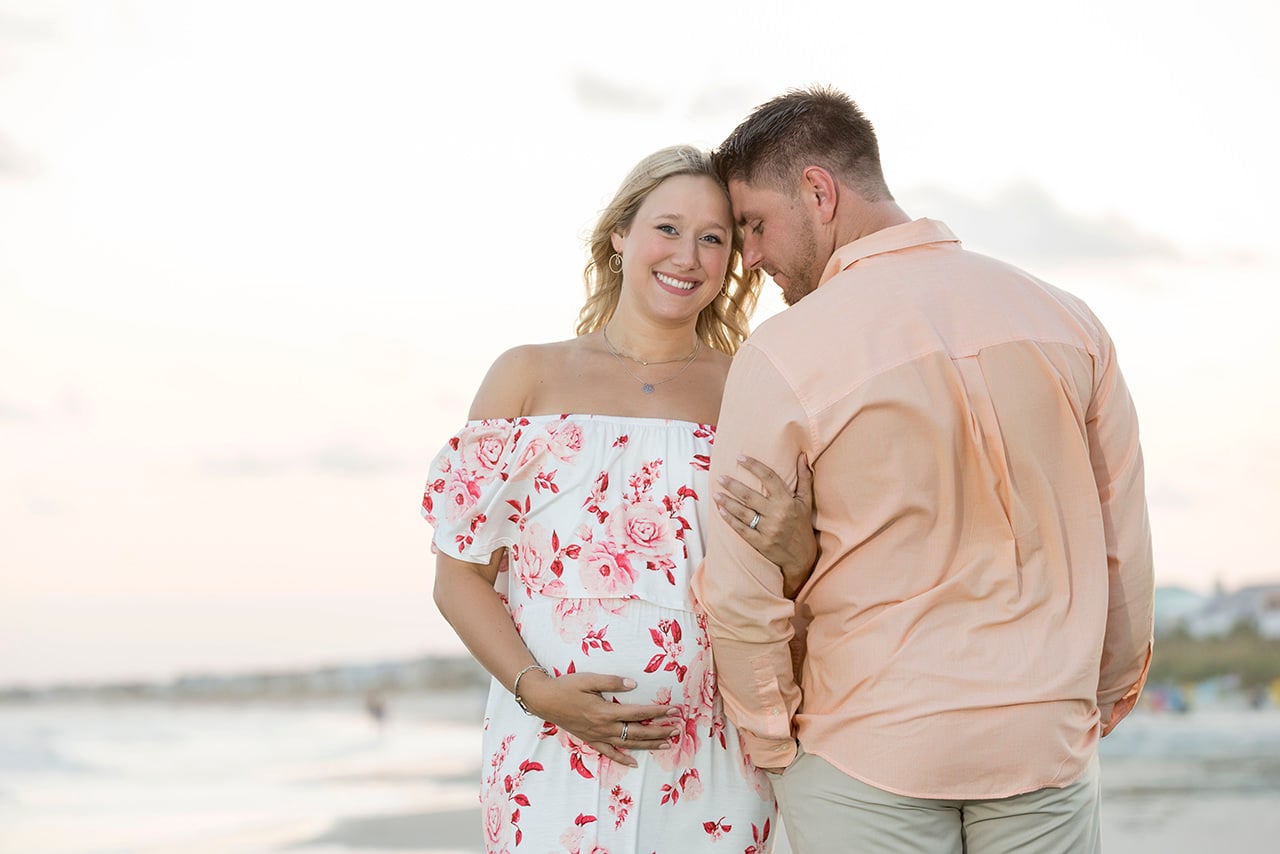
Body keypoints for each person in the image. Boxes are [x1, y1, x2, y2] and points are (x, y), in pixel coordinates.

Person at [693, 86, 1155, 853]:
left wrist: (773, 741)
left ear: (818, 191)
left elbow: (740, 590)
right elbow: (1122, 541)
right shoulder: (1068, 321)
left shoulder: (783, 354)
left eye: (754, 225)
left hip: (865, 748)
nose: (752, 257)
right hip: (1043, 735)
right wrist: (1102, 691)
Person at [422, 145, 812, 853]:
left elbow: (792, 570)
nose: (686, 256)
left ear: (731, 259)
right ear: (620, 235)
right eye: (667, 228)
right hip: (545, 745)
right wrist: (537, 692)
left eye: (712, 238)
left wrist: (800, 546)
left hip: (712, 755)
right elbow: (459, 575)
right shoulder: (528, 377)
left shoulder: (752, 389)